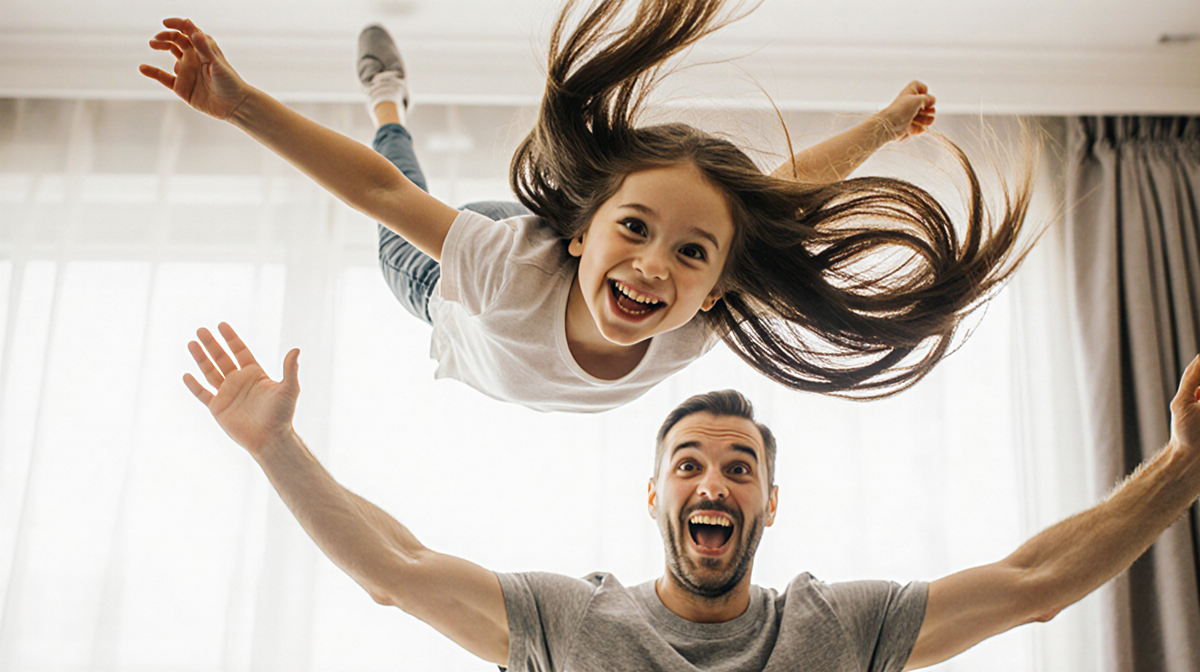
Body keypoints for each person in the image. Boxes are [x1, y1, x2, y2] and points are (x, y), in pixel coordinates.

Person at [145, 0, 1033, 412]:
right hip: (473, 287)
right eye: (640, 231)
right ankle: (389, 102)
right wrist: (239, 102)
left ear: (721, 287)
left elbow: (785, 193)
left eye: (693, 255)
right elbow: (377, 193)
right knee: (399, 218)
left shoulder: (702, 321)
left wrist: (879, 129)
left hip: (548, 240)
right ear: (587, 232)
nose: (655, 266)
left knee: (733, 219)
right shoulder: (509, 271)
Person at [184, 322, 1200, 670]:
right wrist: (276, 448)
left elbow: (1034, 583)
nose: (713, 482)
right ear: (657, 495)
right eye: (689, 464)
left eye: (739, 468)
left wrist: (1182, 469)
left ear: (767, 505)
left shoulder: (840, 629)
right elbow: (395, 574)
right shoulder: (569, 621)